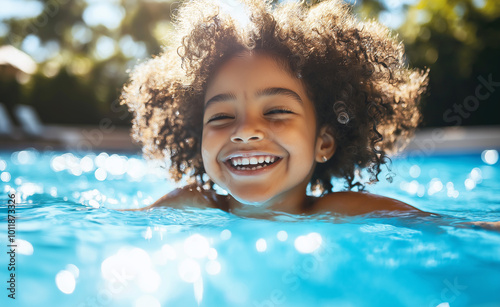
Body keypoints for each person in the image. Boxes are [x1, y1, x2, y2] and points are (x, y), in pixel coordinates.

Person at [120, 0, 430, 217]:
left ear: (323, 142)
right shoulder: (190, 205)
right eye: (221, 116)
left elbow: (458, 230)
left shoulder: (342, 211)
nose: (244, 131)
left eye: (276, 112)